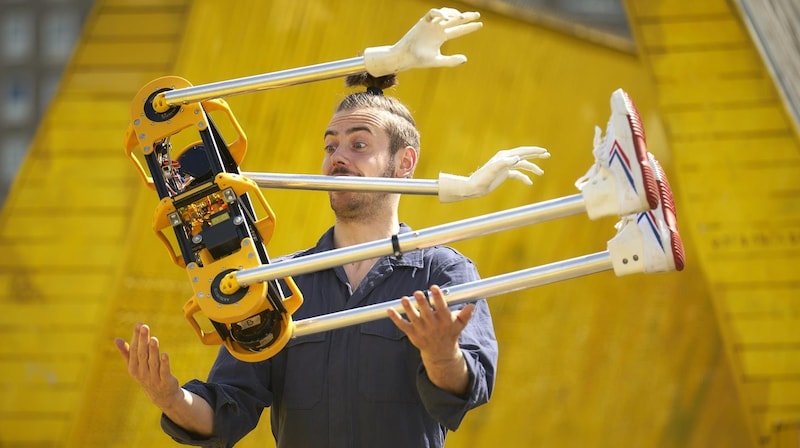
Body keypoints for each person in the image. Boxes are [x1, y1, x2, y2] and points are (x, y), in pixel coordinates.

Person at [115, 73, 502, 448]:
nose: (337, 158)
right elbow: (227, 409)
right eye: (330, 147)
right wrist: (170, 399)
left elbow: (468, 390)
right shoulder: (277, 280)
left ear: (404, 163)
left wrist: (441, 355)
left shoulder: (442, 272)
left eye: (359, 145)